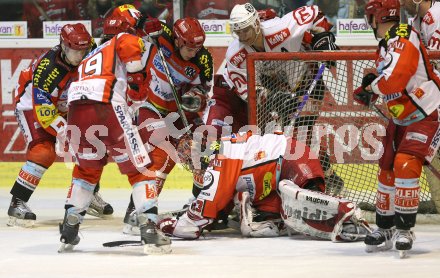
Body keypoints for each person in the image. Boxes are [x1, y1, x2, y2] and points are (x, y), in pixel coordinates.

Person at [58, 5, 171, 254]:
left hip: (77, 111)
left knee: (86, 172)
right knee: (141, 169)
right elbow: (128, 47)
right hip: (106, 106)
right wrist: (136, 77)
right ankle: (150, 226)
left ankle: (70, 225)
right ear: (127, 25)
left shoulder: (90, 54)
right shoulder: (123, 38)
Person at [158, 131, 370, 241]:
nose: (190, 163)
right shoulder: (222, 156)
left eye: (192, 156)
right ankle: (344, 227)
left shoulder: (222, 158)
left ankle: (344, 209)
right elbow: (215, 212)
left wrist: (168, 225)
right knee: (287, 219)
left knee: (298, 202)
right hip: (272, 186)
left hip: (291, 158)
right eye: (187, 160)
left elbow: (195, 224)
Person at [354, 0, 440, 257]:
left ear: (374, 17)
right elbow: (387, 77)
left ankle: (404, 229)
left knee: (405, 163)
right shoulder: (387, 43)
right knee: (387, 166)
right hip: (402, 115)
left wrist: (373, 87)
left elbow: (396, 78)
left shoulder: (404, 35)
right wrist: (370, 87)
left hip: (426, 111)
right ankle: (386, 226)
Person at [8, 23, 113, 227]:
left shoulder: (92, 52)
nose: (81, 54)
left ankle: (88, 194)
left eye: (84, 49)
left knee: (94, 145)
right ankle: (17, 202)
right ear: (64, 47)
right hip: (33, 107)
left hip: (68, 104)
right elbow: (45, 113)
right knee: (43, 152)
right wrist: (68, 132)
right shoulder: (48, 69)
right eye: (76, 50)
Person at [122, 16, 214, 234]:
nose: (195, 52)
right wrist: (145, 25)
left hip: (178, 111)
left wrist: (194, 97)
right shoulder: (160, 33)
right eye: (190, 48)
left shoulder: (203, 59)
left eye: (198, 48)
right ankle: (137, 215)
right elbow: (135, 18)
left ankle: (200, 208)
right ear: (179, 41)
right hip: (148, 106)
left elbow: (203, 91)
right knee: (161, 156)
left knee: (200, 154)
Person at [22, 0, 88, 38]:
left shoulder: (69, 2)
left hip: (70, 43)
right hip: (43, 44)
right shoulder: (30, 3)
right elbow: (29, 28)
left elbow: (81, 21)